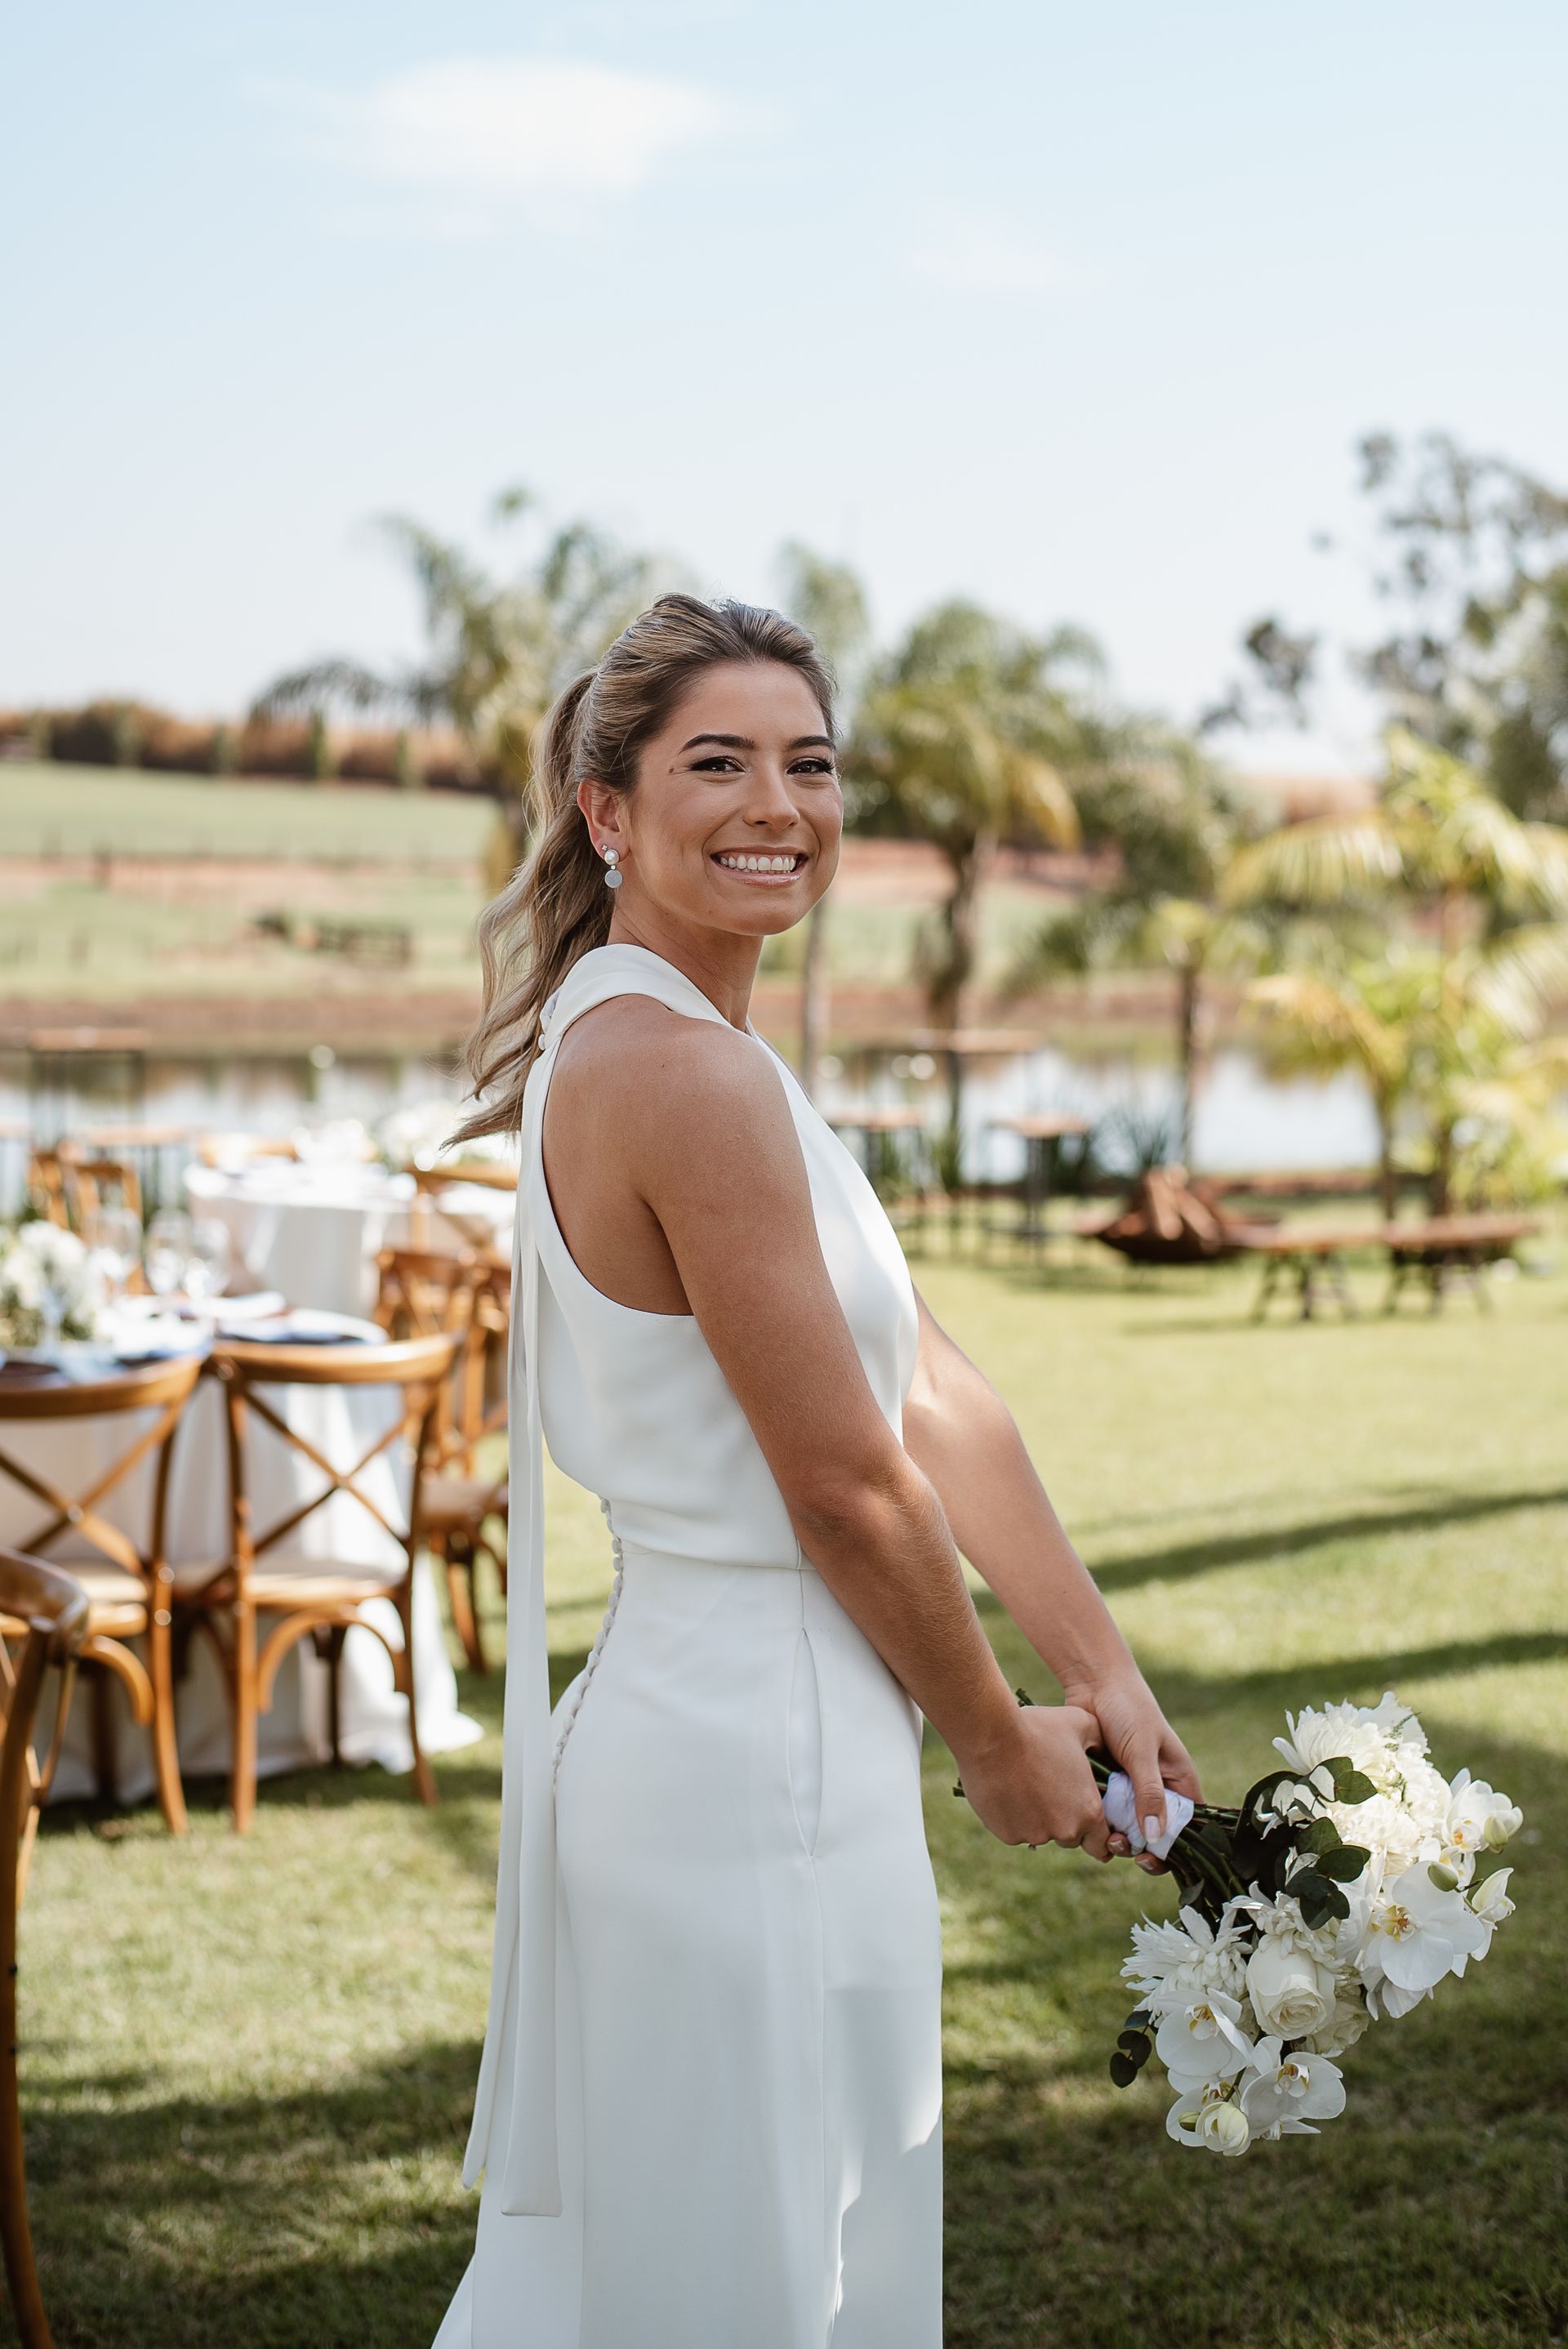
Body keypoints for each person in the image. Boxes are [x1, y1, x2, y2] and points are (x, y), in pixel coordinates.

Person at [434, 593, 1198, 2349]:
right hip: (738, 1775)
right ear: (604, 808)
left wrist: (1103, 1671)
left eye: (811, 761)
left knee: (768, 2260)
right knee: (747, 2285)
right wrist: (1000, 1743)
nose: (778, 800)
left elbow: (924, 1385)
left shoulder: (686, 1046)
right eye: (719, 761)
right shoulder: (677, 1074)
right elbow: (847, 1485)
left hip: (756, 1746)